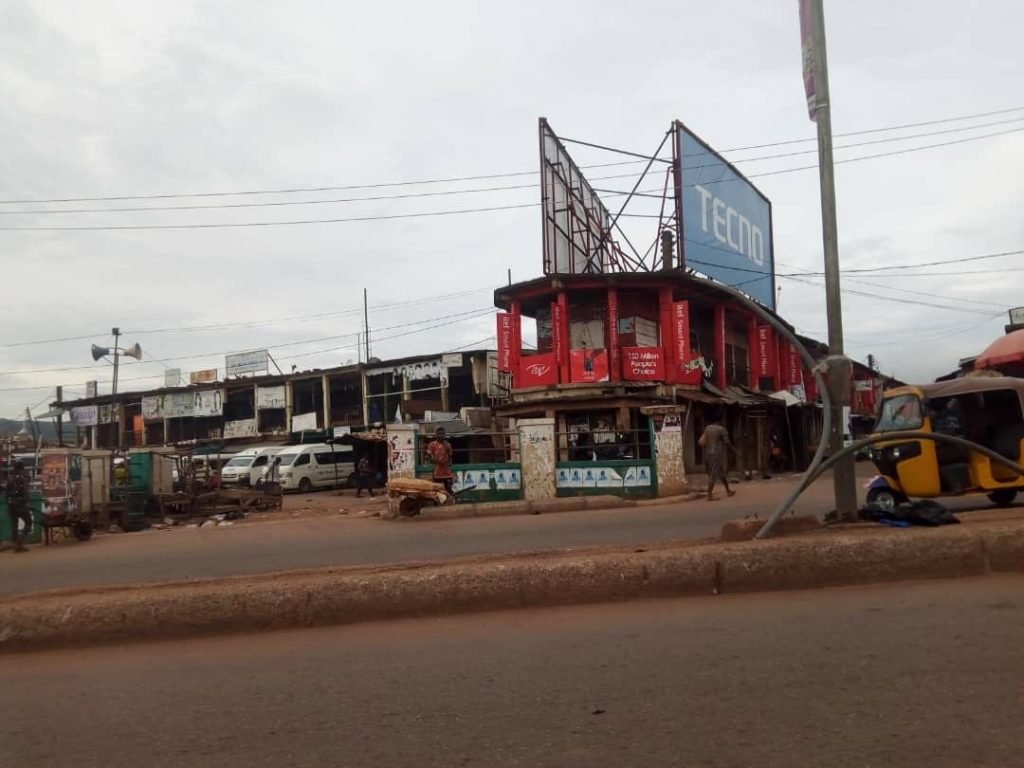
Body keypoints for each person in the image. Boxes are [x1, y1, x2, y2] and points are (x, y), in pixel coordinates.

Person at [699, 416, 737, 501]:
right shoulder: (722, 429)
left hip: (708, 453)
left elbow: (702, 441)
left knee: (721, 472)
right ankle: (709, 495)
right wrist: (735, 452)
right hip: (716, 454)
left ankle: (728, 490)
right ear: (720, 421)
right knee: (713, 474)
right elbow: (727, 443)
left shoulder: (708, 428)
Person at [5, 460, 32, 553]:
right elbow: (26, 491)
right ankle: (20, 541)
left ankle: (15, 544)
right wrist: (28, 502)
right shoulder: (23, 477)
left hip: (11, 504)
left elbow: (6, 493)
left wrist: (7, 504)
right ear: (22, 468)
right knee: (29, 522)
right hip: (20, 504)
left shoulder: (10, 478)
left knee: (14, 525)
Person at [427, 427, 455, 495]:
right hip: (437, 473)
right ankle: (438, 504)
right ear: (436, 435)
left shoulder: (448, 444)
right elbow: (429, 458)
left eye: (442, 434)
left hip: (447, 472)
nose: (441, 435)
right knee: (437, 490)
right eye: (439, 433)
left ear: (445, 435)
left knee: (449, 489)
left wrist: (450, 463)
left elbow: (450, 456)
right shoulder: (431, 445)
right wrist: (437, 461)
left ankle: (450, 502)